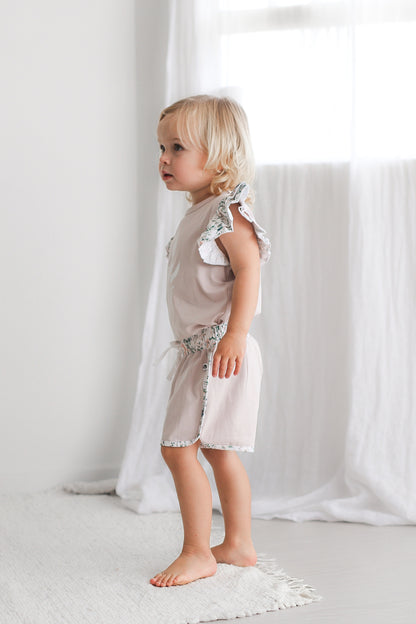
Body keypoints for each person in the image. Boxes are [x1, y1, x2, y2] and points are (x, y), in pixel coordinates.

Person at [150, 95, 271, 588]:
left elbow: (249, 270)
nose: (163, 158)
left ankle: (198, 551)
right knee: (218, 449)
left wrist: (236, 334)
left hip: (219, 348)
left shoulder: (228, 212)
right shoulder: (199, 213)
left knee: (180, 450)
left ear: (219, 157)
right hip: (201, 349)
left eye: (177, 147)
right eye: (161, 147)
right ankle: (238, 543)